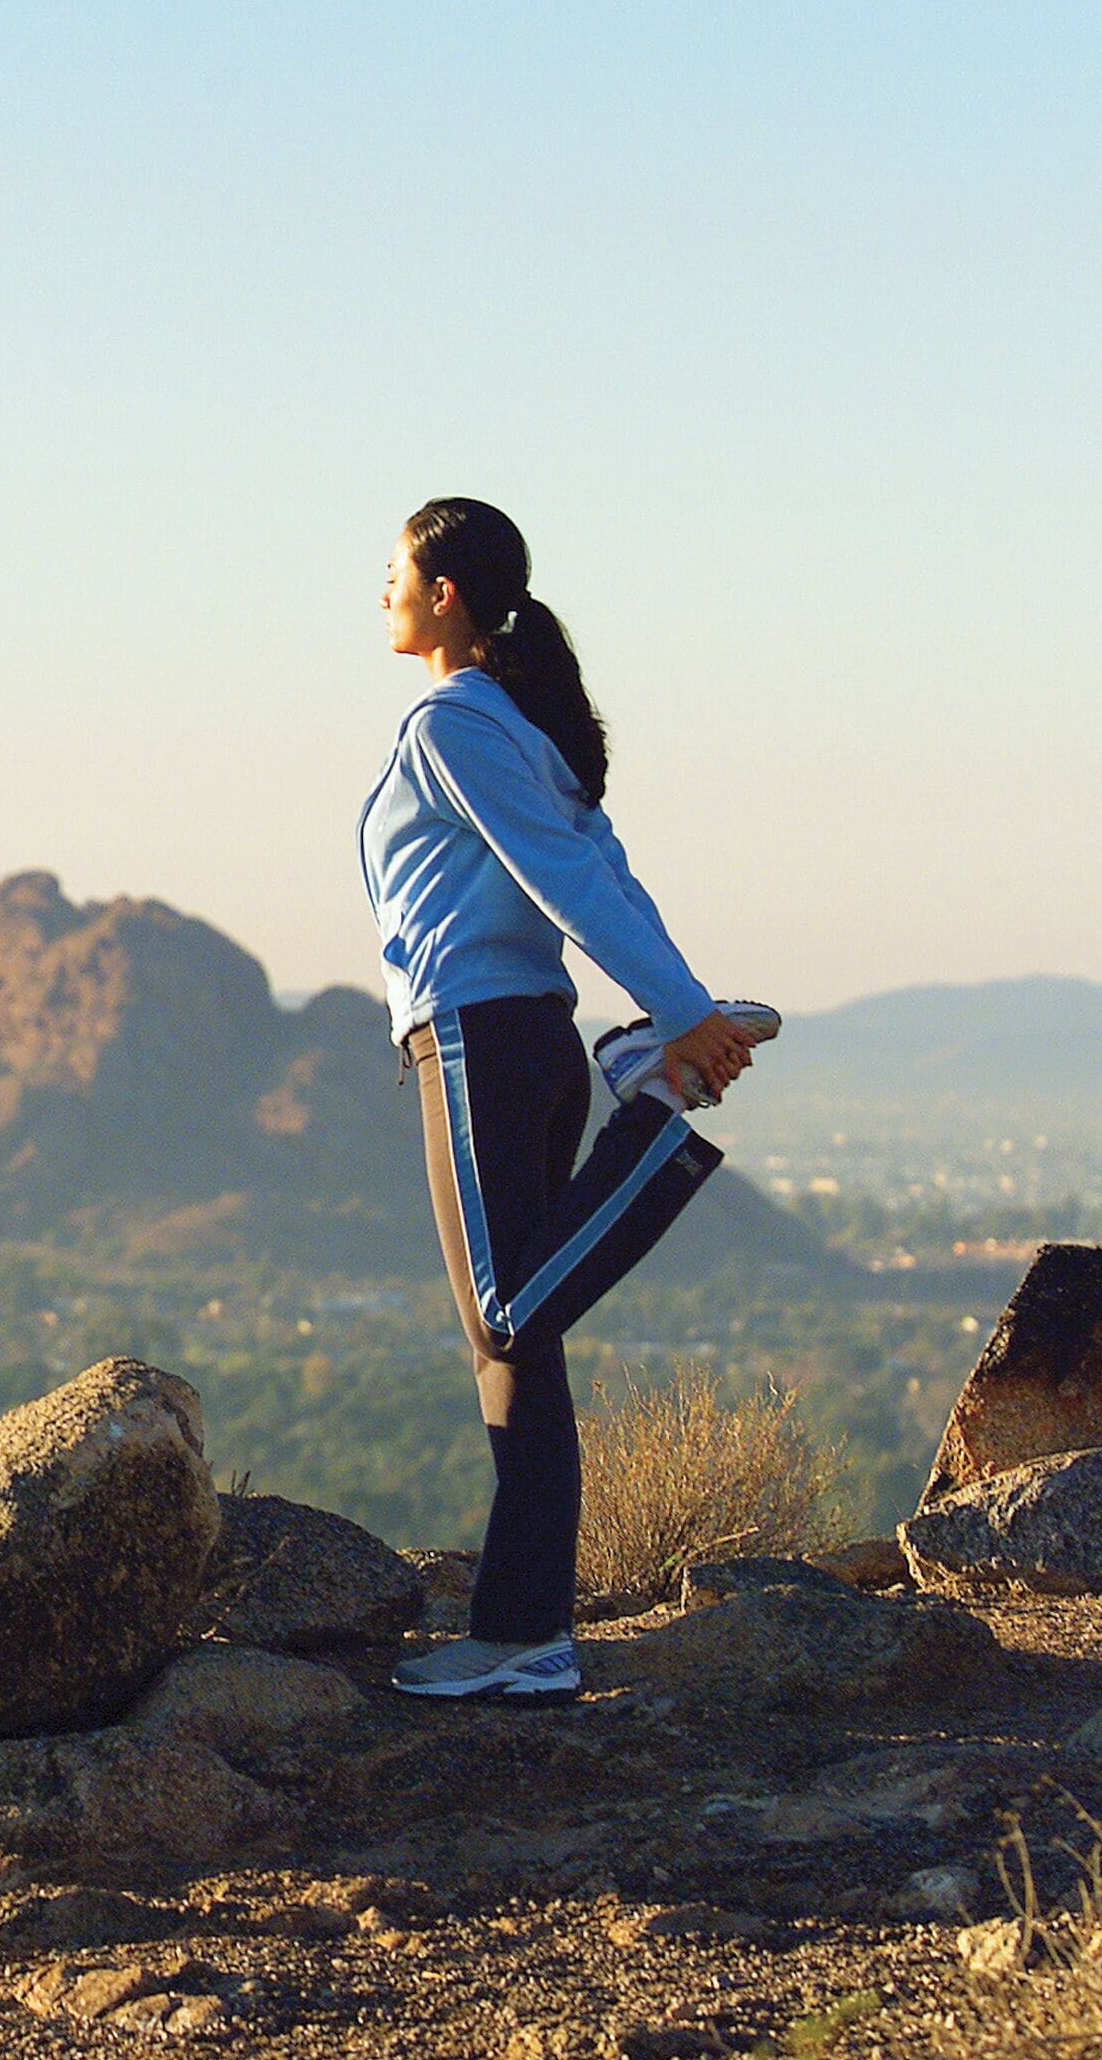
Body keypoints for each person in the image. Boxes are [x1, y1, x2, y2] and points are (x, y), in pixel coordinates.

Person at [364, 497, 778, 1700]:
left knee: (504, 1312)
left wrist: (680, 1027)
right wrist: (679, 1003)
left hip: (482, 1037)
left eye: (390, 570)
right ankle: (525, 1636)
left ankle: (654, 1128)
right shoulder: (517, 721)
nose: (376, 588)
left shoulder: (452, 720)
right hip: (524, 1039)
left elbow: (567, 882)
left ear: (445, 594)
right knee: (517, 1353)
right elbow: (605, 871)